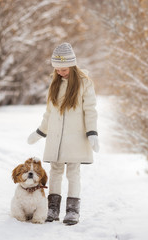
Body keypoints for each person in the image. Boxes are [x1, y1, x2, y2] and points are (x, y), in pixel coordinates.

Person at [27, 42, 99, 225]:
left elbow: (90, 110)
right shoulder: (55, 83)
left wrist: (92, 133)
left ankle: (72, 211)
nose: (60, 72)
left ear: (72, 65)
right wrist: (40, 132)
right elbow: (49, 112)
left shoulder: (85, 84)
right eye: (57, 69)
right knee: (56, 171)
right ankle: (52, 208)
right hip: (56, 138)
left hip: (76, 137)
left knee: (73, 172)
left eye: (64, 69)